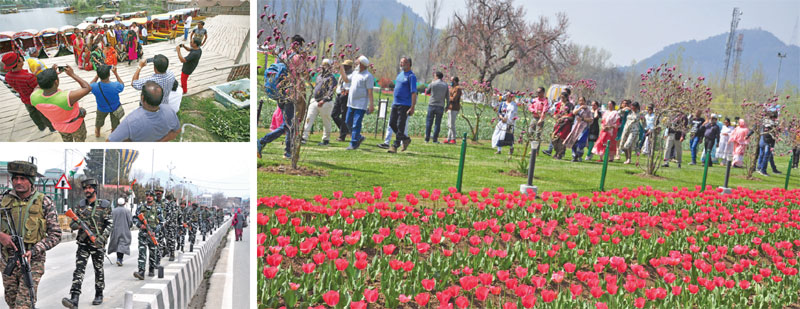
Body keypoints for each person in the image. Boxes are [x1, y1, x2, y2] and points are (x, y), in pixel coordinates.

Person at [0, 161, 61, 308]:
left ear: (31, 181)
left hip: (32, 261)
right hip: (8, 260)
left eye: (23, 178)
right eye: (15, 178)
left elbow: (56, 234)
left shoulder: (44, 202)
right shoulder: (3, 200)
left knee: (24, 304)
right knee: (12, 302)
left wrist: (34, 250)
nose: (18, 182)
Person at [61, 179, 112, 308]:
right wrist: (80, 225)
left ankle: (99, 294)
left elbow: (110, 224)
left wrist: (103, 238)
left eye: (89, 188)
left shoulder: (104, 206)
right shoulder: (81, 206)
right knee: (79, 270)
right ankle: (74, 298)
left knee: (98, 270)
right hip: (83, 243)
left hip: (97, 243)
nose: (87, 190)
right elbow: (72, 224)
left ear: (95, 189)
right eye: (85, 188)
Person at [257, 35, 307, 158]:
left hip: (279, 92)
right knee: (287, 125)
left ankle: (288, 152)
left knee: (291, 123)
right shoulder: (297, 58)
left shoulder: (281, 56)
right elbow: (305, 74)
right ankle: (262, 141)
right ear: (299, 45)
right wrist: (304, 59)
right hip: (290, 94)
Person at [31, 65, 91, 142]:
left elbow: (37, 87)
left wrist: (48, 76)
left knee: (66, 140)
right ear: (56, 82)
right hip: (75, 125)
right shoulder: (66, 98)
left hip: (59, 126)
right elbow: (87, 88)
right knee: (80, 140)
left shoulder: (34, 97)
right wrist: (72, 74)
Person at [108, 81, 180, 142]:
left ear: (142, 98)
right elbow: (176, 131)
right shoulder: (170, 111)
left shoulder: (131, 121)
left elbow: (109, 142)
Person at [1, 52, 55, 132]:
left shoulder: (8, 76)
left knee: (33, 113)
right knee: (43, 113)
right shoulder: (29, 77)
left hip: (25, 99)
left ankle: (41, 127)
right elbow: (39, 87)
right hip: (36, 99)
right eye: (20, 58)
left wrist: (35, 72)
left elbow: (15, 88)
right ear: (19, 63)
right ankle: (51, 127)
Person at [339, 55, 375, 150]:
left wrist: (371, 105)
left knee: (356, 124)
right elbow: (346, 80)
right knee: (348, 122)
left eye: (357, 63)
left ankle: (354, 143)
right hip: (351, 103)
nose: (356, 64)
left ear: (362, 64)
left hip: (361, 104)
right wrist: (342, 70)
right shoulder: (355, 73)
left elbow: (370, 92)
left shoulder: (368, 76)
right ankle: (358, 137)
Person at [301, 59, 338, 145]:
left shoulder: (332, 78)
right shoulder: (319, 76)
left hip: (326, 103)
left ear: (329, 67)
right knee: (308, 118)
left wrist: (324, 100)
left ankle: (326, 140)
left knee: (326, 121)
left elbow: (331, 91)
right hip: (315, 100)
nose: (323, 68)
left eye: (326, 66)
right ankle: (304, 137)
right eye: (322, 66)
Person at [387, 56, 417, 153]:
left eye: (403, 62)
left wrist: (412, 107)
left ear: (409, 64)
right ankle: (405, 139)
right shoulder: (400, 75)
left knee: (400, 125)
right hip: (395, 103)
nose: (401, 64)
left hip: (405, 104)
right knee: (392, 123)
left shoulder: (411, 76)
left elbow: (413, 93)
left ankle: (395, 146)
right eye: (400, 62)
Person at [133, 190, 162, 280]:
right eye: (147, 195)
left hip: (153, 234)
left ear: (153, 197)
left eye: (150, 195)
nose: (148, 197)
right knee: (142, 253)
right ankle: (141, 271)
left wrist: (156, 230)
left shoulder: (158, 208)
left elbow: (162, 222)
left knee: (153, 253)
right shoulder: (141, 207)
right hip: (143, 234)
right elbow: (134, 218)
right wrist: (140, 225)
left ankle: (151, 269)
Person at [90, 65, 125, 137]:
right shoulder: (115, 86)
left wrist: (97, 75)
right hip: (115, 108)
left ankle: (97, 132)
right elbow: (122, 84)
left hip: (101, 108)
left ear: (99, 75)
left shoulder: (94, 87)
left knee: (99, 121)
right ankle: (113, 134)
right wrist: (116, 73)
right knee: (115, 123)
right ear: (109, 74)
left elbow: (90, 84)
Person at [564, 96, 593, 162]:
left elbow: (591, 119)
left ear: (585, 101)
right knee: (574, 141)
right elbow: (574, 113)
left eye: (582, 100)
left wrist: (583, 119)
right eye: (580, 100)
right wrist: (580, 108)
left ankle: (579, 155)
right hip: (575, 127)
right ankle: (574, 156)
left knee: (581, 142)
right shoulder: (577, 107)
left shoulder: (588, 110)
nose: (581, 102)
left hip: (584, 128)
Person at [332, 60, 353, 142]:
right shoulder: (343, 74)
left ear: (349, 67)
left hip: (346, 95)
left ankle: (342, 135)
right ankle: (346, 129)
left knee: (344, 116)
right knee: (334, 114)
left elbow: (347, 80)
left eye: (345, 65)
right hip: (339, 95)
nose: (344, 67)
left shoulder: (351, 75)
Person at [425, 71, 449, 143]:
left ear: (436, 76)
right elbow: (447, 97)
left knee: (429, 122)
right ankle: (435, 139)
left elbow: (427, 92)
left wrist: (431, 83)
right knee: (437, 123)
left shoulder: (433, 83)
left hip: (432, 104)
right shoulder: (445, 85)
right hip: (440, 106)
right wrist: (447, 106)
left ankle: (427, 138)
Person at [108, 197, 132, 266]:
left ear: (117, 203)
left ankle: (119, 258)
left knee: (117, 244)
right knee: (122, 245)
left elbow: (110, 221)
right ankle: (120, 259)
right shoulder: (127, 211)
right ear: (124, 203)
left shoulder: (113, 211)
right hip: (125, 231)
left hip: (115, 231)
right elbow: (130, 222)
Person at [551, 93, 575, 160]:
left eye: (563, 97)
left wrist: (563, 117)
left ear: (567, 97)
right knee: (554, 138)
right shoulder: (559, 104)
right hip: (558, 123)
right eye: (561, 97)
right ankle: (557, 151)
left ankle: (559, 154)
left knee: (561, 138)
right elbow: (555, 113)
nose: (562, 99)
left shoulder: (570, 105)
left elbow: (571, 115)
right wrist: (556, 117)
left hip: (566, 124)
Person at [757, 111, 781, 176]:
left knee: (764, 155)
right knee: (766, 156)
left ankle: (759, 168)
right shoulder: (769, 123)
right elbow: (771, 133)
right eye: (774, 117)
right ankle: (763, 170)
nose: (775, 119)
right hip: (767, 142)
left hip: (765, 141)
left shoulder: (766, 122)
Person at [445, 76, 462, 144]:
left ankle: (453, 138)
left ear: (455, 81)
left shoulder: (457, 89)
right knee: (449, 124)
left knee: (452, 124)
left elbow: (454, 98)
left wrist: (447, 97)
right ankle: (448, 138)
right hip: (450, 108)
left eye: (451, 80)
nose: (450, 81)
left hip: (454, 108)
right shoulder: (452, 88)